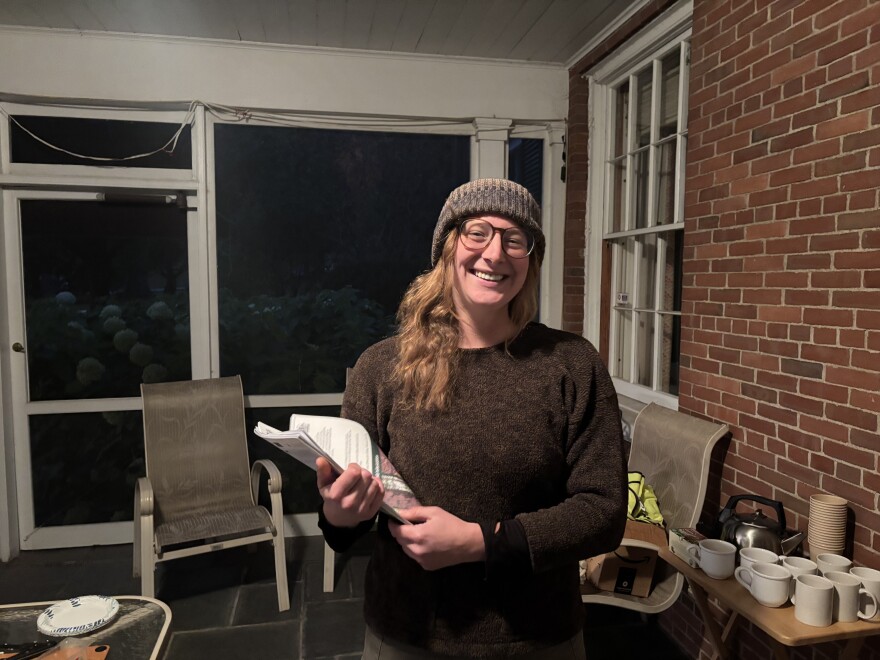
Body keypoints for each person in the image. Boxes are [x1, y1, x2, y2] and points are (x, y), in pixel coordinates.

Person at [317, 178, 628, 659]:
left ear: (531, 260)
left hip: (537, 637)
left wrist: (481, 543)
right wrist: (340, 513)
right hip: (407, 633)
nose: (495, 253)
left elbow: (603, 512)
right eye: (477, 232)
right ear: (447, 248)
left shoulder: (571, 364)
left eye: (515, 238)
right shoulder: (381, 367)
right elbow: (347, 521)